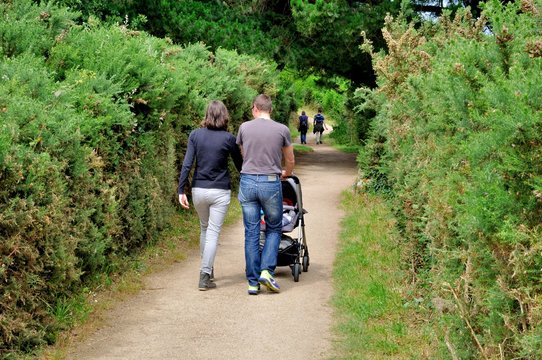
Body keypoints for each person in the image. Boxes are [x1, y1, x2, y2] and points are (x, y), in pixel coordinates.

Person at [178, 100, 243, 291]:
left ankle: (208, 269)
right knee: (213, 232)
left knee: (204, 229)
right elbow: (240, 166)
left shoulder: (195, 135)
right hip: (220, 191)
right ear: (224, 116)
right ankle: (205, 276)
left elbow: (187, 164)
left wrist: (181, 190)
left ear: (207, 114)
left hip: (199, 190)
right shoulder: (229, 139)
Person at [236, 94, 295, 295]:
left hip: (247, 181)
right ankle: (267, 271)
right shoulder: (282, 129)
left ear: (255, 108)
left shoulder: (244, 127)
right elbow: (290, 159)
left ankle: (252, 282)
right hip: (271, 181)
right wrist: (286, 173)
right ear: (271, 109)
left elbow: (244, 154)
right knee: (273, 227)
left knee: (251, 231)